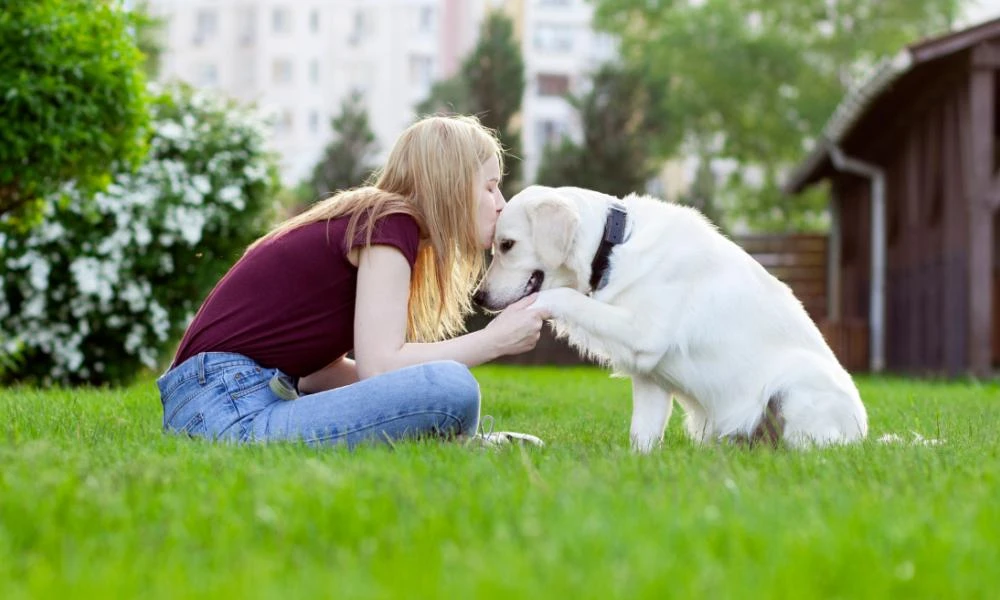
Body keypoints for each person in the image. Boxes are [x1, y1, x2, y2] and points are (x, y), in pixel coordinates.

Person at [156, 114, 550, 449]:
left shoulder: (373, 220)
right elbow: (380, 367)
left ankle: (455, 446)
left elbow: (318, 374)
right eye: (489, 186)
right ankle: (464, 446)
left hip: (211, 402)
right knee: (451, 385)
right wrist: (493, 340)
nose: (501, 202)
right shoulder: (390, 221)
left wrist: (409, 392)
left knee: (436, 385)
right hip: (225, 405)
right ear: (450, 184)